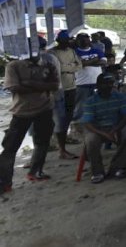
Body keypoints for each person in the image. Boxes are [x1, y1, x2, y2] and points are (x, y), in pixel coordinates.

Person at [1, 53, 61, 193]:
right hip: (22, 111)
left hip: (45, 109)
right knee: (10, 147)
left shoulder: (48, 65)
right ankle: (4, 182)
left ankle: (35, 172)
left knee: (42, 142)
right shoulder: (14, 65)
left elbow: (55, 85)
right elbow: (14, 88)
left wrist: (30, 83)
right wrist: (44, 86)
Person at [81, 72, 126, 184]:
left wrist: (114, 130)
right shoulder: (90, 101)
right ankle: (97, 172)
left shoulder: (120, 97)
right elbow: (87, 123)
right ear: (98, 85)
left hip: (116, 126)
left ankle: (118, 167)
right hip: (97, 129)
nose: (109, 86)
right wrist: (104, 134)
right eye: (106, 84)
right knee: (91, 140)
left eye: (111, 83)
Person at [49, 30, 83, 159]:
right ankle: (60, 147)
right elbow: (59, 69)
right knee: (59, 117)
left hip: (71, 86)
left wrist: (67, 67)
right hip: (59, 88)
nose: (68, 42)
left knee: (69, 114)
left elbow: (79, 65)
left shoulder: (71, 51)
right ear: (59, 41)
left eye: (69, 40)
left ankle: (64, 141)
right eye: (66, 40)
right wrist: (69, 67)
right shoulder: (52, 53)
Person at [74, 33, 107, 128]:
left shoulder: (97, 50)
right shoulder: (74, 52)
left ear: (89, 40)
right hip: (81, 83)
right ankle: (78, 127)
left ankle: (96, 125)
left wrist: (86, 63)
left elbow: (103, 62)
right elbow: (80, 64)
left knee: (98, 105)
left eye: (86, 38)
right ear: (78, 41)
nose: (84, 41)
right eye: (81, 39)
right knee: (80, 107)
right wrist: (95, 60)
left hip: (97, 83)